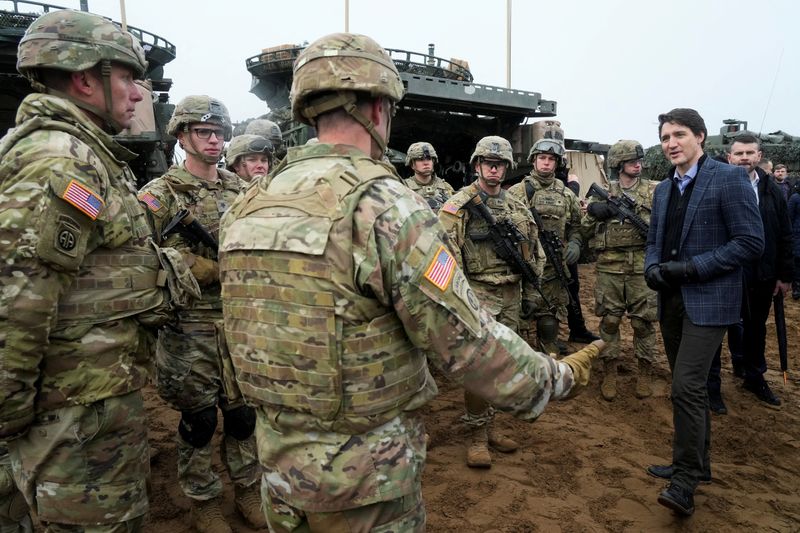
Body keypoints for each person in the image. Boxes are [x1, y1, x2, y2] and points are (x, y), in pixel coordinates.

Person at [218, 32, 604, 532]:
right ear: (379, 107)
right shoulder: (385, 205)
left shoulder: (248, 203)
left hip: (279, 470)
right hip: (364, 481)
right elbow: (466, 341)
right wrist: (558, 378)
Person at [0, 9, 194, 530]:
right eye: (129, 78)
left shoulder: (86, 154)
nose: (137, 94)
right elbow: (19, 295)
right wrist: (11, 413)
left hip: (90, 400)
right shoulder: (61, 160)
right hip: (73, 414)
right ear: (86, 78)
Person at [139, 96, 264, 532]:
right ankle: (203, 498)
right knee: (199, 417)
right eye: (203, 133)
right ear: (182, 136)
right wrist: (199, 267)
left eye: (219, 134)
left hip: (240, 320)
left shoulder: (242, 190)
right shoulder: (159, 196)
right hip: (188, 325)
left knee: (243, 412)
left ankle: (248, 487)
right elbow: (140, 260)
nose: (213, 141)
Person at [644, 108, 764, 516]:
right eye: (664, 138)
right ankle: (694, 463)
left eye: (679, 134)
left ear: (700, 136)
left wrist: (692, 268)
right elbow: (654, 241)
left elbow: (750, 242)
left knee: (687, 386)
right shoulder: (663, 190)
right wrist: (652, 268)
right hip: (671, 301)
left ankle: (685, 482)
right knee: (686, 387)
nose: (671, 143)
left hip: (710, 301)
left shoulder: (728, 178)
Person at [438, 136, 544, 468]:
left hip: (511, 294)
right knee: (478, 368)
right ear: (477, 166)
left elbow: (534, 254)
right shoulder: (458, 206)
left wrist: (531, 295)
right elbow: (445, 257)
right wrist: (458, 301)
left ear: (507, 169)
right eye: (488, 163)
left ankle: (491, 426)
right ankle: (476, 435)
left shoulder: (517, 207)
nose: (494, 169)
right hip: (477, 293)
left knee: (501, 364)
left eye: (499, 165)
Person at [582, 140, 658, 401]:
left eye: (638, 159)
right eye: (630, 160)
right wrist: (596, 210)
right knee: (610, 321)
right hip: (609, 268)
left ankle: (645, 371)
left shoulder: (653, 191)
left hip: (641, 268)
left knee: (642, 322)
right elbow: (583, 227)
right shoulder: (604, 191)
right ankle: (609, 371)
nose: (637, 164)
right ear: (617, 164)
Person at [722, 135, 792, 406]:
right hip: (726, 271)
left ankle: (754, 376)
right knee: (722, 326)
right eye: (739, 153)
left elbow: (785, 234)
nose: (744, 158)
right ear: (730, 158)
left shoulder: (772, 190)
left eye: (750, 152)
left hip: (761, 273)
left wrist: (784, 275)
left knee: (755, 328)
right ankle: (718, 379)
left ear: (759, 156)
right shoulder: (718, 186)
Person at [508, 139, 585, 355]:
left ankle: (548, 363)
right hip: (523, 267)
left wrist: (576, 243)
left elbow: (577, 226)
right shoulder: (516, 192)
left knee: (549, 320)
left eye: (551, 159)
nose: (546, 163)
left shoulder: (567, 194)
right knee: (519, 322)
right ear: (533, 161)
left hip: (553, 267)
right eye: (542, 158)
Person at [404, 141, 454, 212]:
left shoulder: (445, 187)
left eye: (429, 159)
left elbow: (456, 212)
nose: (426, 163)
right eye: (420, 159)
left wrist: (448, 206)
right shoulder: (403, 187)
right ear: (412, 164)